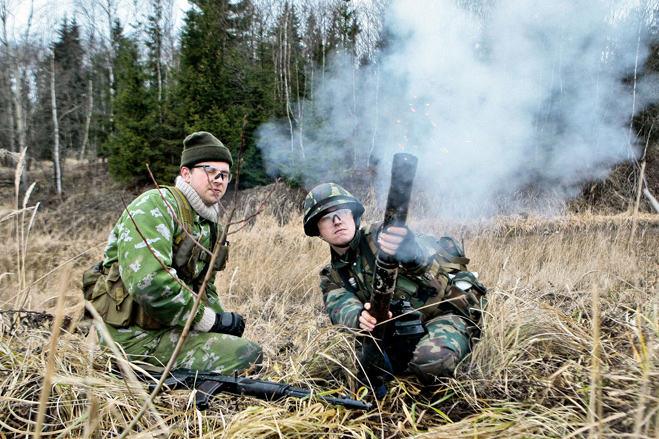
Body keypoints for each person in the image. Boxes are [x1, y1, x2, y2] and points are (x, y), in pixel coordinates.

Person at [83, 131, 262, 375]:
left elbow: (204, 286)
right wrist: (209, 321)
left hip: (167, 327)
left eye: (225, 175)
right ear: (186, 174)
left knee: (245, 352)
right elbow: (148, 283)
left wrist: (220, 322)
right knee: (247, 356)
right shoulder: (155, 206)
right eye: (210, 171)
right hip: (128, 337)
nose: (219, 180)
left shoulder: (209, 225)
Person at [303, 183, 486, 389]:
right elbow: (341, 306)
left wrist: (407, 248)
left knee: (430, 364)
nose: (337, 221)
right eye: (326, 217)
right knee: (357, 372)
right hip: (398, 331)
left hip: (441, 313)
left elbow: (423, 261)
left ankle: (465, 337)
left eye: (342, 212)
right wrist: (359, 318)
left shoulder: (381, 236)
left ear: (353, 216)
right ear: (317, 230)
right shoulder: (332, 275)